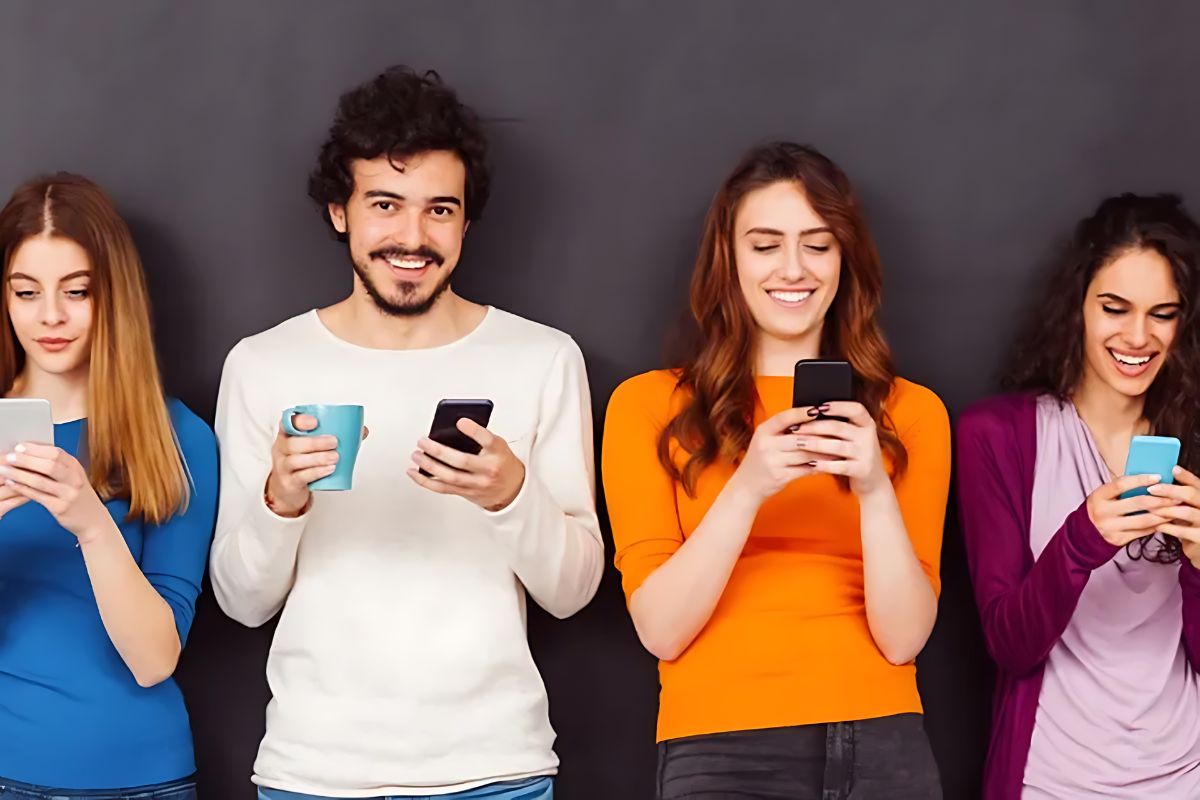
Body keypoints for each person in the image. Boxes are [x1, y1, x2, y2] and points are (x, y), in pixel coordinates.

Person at [209, 67, 602, 800]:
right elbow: (241, 600)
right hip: (314, 772)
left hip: (495, 769)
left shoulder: (542, 359)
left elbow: (573, 592)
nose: (413, 238)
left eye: (440, 210)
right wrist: (280, 501)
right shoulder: (265, 364)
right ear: (340, 210)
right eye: (385, 205)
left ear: (466, 221)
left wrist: (511, 495)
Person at [602, 142, 949, 799]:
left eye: (818, 244)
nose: (794, 269)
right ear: (728, 259)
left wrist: (874, 489)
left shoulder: (913, 413)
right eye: (765, 245)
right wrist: (750, 485)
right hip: (722, 747)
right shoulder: (648, 406)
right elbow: (660, 629)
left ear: (846, 260)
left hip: (882, 740)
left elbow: (903, 642)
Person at [957, 193, 1200, 799]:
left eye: (1163, 313)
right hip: (1050, 780)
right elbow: (1009, 644)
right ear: (1077, 307)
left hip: (1182, 777)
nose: (1138, 337)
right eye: (1114, 308)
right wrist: (1082, 537)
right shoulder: (999, 436)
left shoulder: (1194, 443)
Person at [0, 173, 218, 799]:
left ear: (113, 297)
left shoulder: (177, 436)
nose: (51, 317)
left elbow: (154, 660)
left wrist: (93, 524)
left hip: (139, 781)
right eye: (25, 292)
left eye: (78, 291)